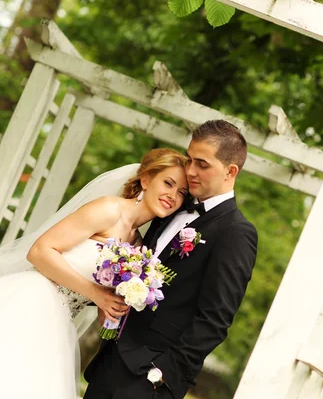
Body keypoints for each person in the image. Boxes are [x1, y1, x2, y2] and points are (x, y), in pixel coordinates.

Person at [84, 120, 259, 399]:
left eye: (202, 164)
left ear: (231, 171)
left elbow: (215, 319)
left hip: (149, 380)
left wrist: (161, 376)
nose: (190, 171)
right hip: (112, 360)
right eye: (189, 160)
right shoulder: (174, 206)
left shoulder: (236, 233)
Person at [0, 148, 189, 399]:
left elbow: (104, 319)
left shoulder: (137, 248)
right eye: (168, 183)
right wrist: (96, 293)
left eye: (181, 193)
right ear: (145, 179)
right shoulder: (109, 210)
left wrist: (116, 308)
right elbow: (39, 251)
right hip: (32, 299)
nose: (172, 195)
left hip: (59, 321)